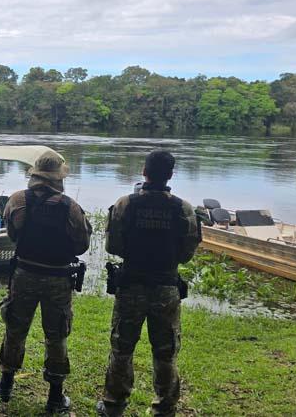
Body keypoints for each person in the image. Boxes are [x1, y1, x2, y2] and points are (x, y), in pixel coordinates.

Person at [96, 151, 201, 417]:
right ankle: (164, 409)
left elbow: (113, 246)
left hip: (131, 285)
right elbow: (187, 253)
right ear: (171, 174)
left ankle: (113, 405)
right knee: (165, 352)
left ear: (144, 171)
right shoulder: (183, 208)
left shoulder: (125, 204)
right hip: (166, 287)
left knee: (122, 349)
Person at [0, 150, 92, 413]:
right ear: (58, 177)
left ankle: (5, 384)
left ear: (36, 174)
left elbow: (14, 235)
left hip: (24, 274)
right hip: (57, 279)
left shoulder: (17, 200)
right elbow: (82, 245)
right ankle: (55, 396)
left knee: (15, 329)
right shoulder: (70, 206)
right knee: (56, 335)